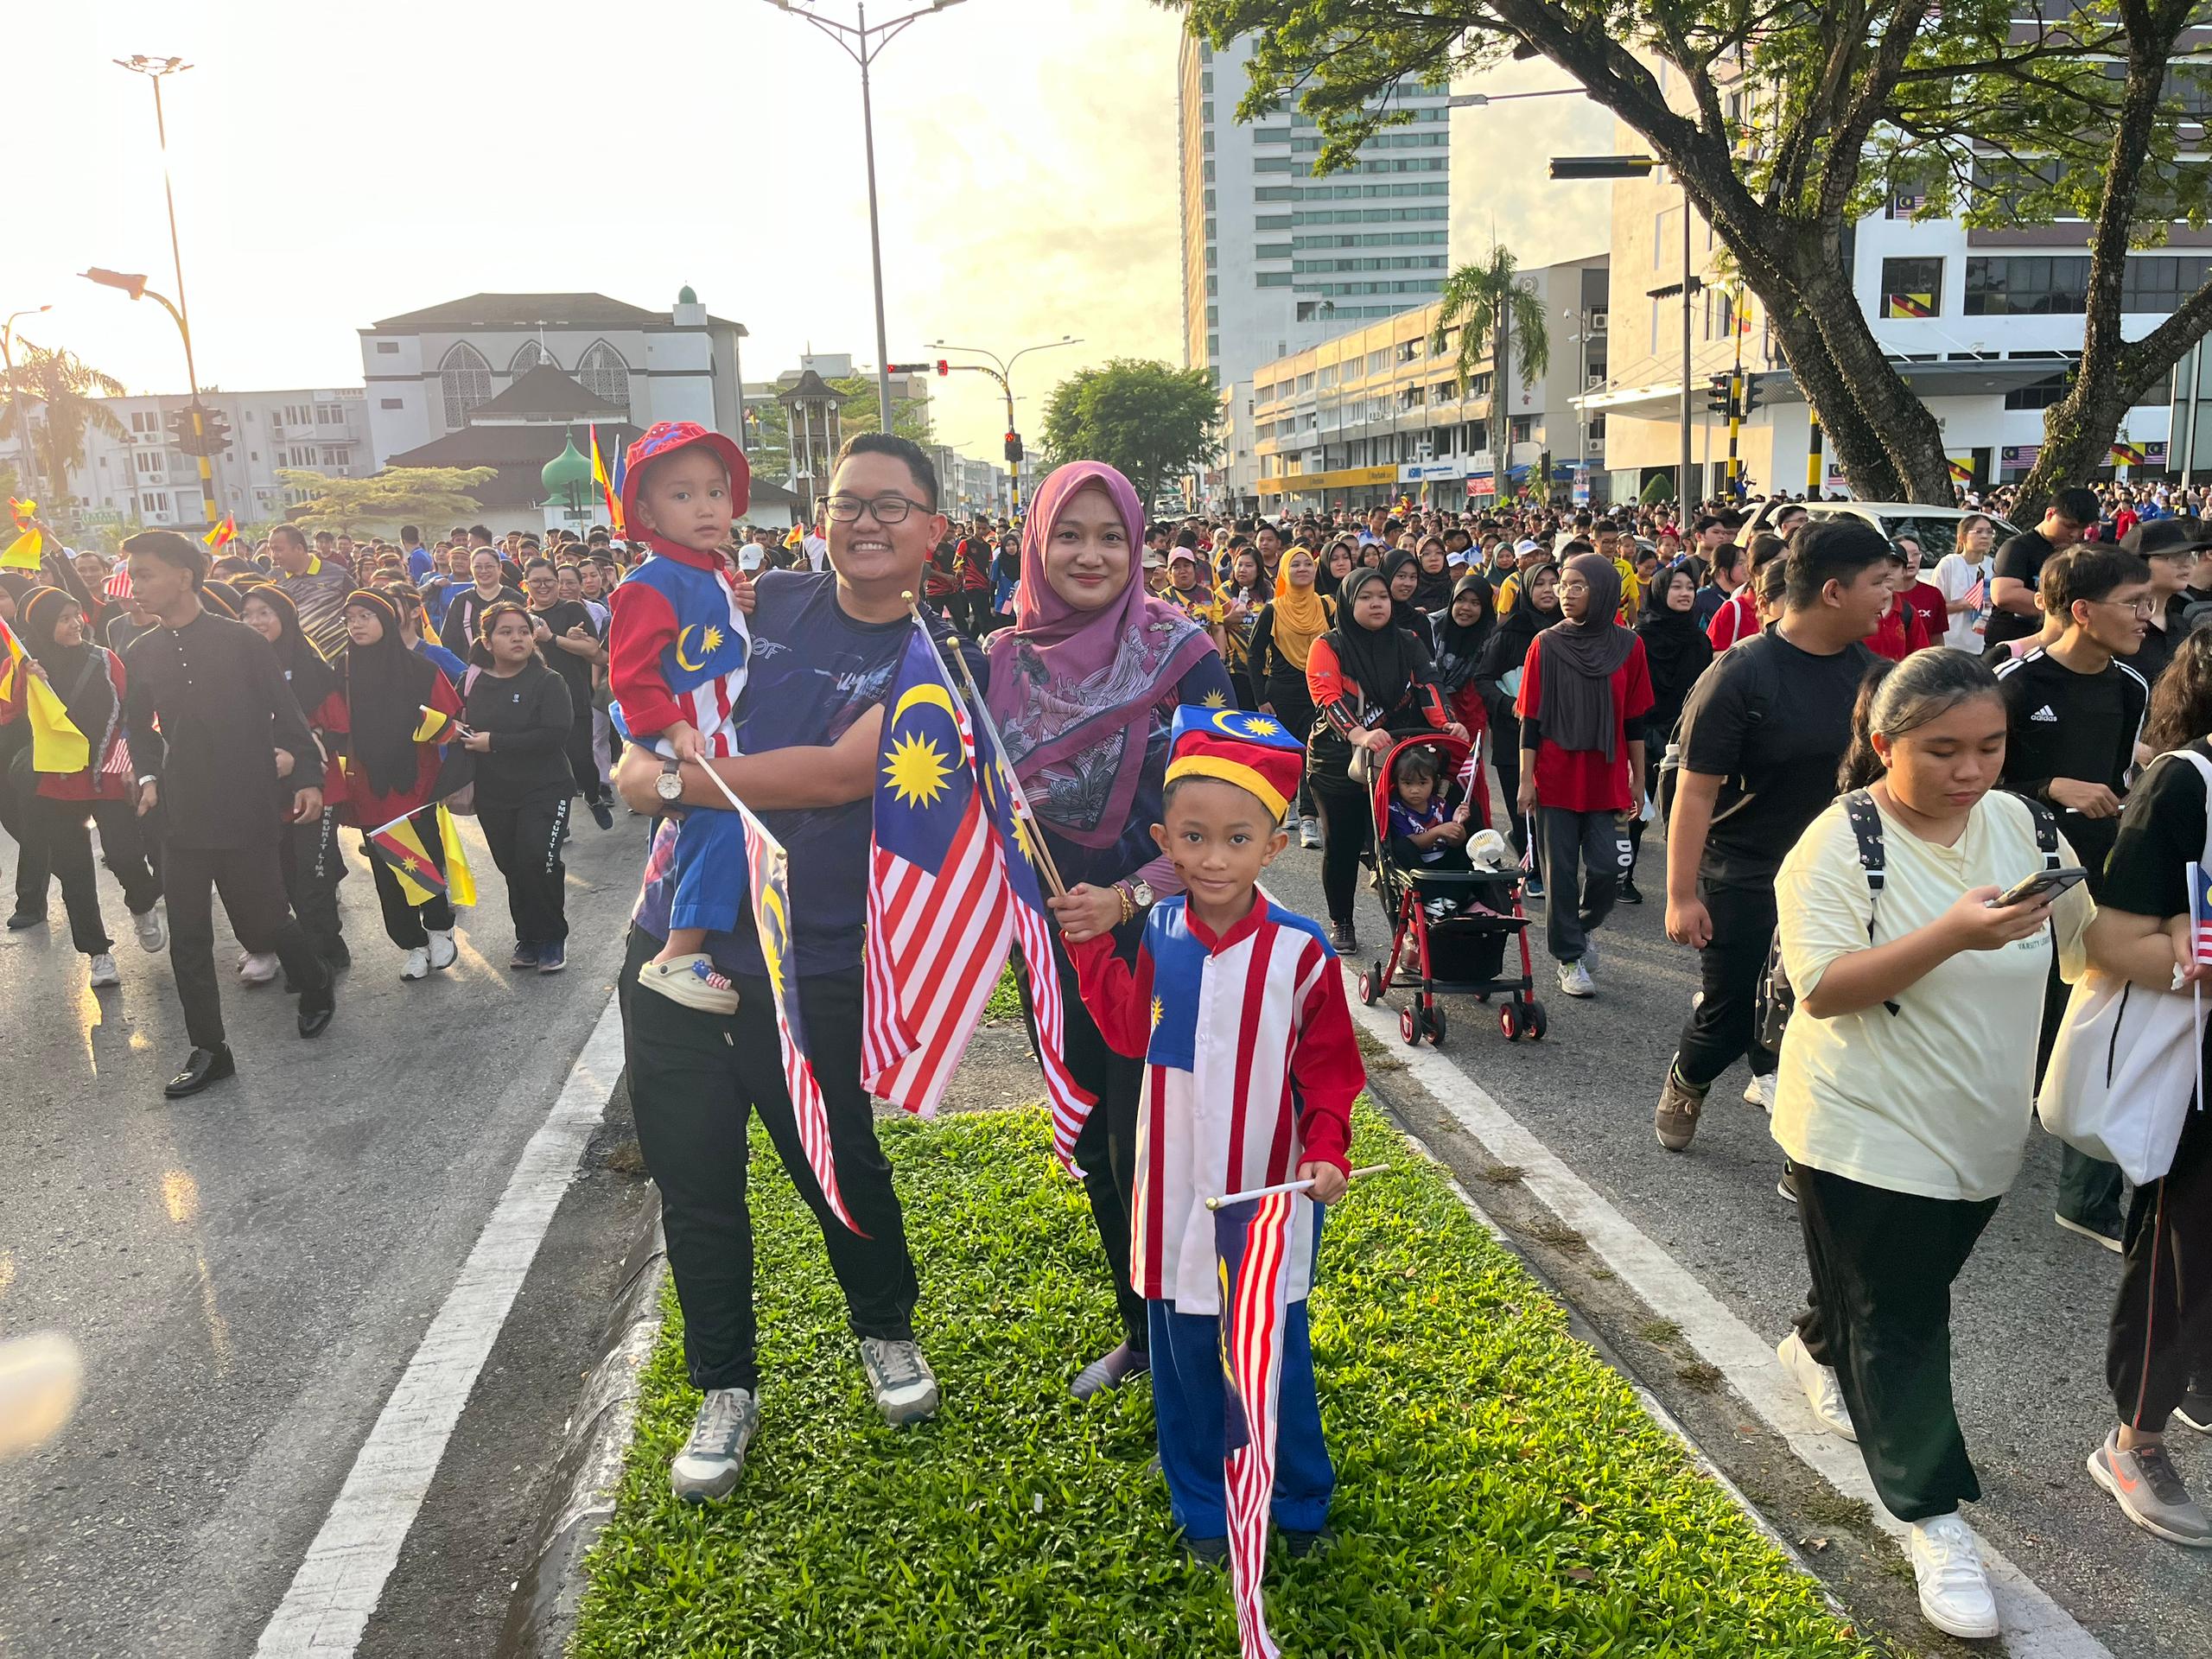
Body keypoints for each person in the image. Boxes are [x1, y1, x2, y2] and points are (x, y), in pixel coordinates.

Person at [609, 432, 978, 1497]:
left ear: (931, 528)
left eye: (891, 506)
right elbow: (646, 707)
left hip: (809, 951)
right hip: (674, 942)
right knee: (694, 1180)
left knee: (837, 1158)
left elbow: (835, 775)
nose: (867, 522)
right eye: (848, 502)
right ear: (821, 518)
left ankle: (885, 1331)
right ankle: (725, 1387)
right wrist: (644, 755)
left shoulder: (937, 660)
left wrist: (672, 784)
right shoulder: (756, 601)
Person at [1768, 650, 2092, 1641]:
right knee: (1903, 1320)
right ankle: (1931, 1516)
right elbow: (1824, 986)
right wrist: (1951, 934)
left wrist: (2179, 947)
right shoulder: (1836, 843)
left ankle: (1814, 1344)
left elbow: (2089, 946)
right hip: (1859, 1125)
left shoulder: (2023, 825)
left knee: (1889, 1291)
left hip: (1982, 1126)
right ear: (1884, 744)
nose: (1971, 769)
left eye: (1989, 746)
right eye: (1943, 750)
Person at [1061, 708, 1361, 1566]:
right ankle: (1202, 1506)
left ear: (1274, 848)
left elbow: (1329, 1068)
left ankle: (1297, 1502)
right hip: (1171, 1192)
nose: (1215, 858)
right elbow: (1130, 1031)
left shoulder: (1301, 952)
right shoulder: (1158, 931)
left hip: (1266, 1197)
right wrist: (1091, 951)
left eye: (1238, 839)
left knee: (1273, 1351)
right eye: (1194, 837)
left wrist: (1327, 1147)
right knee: (1185, 1355)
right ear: (1165, 841)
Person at [993, 461, 1232, 1400]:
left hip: (1168, 940)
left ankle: (1203, 1337)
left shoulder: (1184, 655)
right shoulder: (1001, 663)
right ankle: (1142, 1329)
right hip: (1058, 941)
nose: (1089, 555)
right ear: (1036, 543)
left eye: (1110, 537)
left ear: (1137, 547)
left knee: (1167, 1144)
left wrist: (1128, 898)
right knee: (1096, 1131)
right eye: (1069, 534)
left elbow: (1232, 814)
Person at [1656, 518, 1890, 1147]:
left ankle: (1804, 1154)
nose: (1889, 596)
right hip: (1744, 873)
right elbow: (1695, 792)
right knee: (1731, 1016)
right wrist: (1681, 894)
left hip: (1837, 877)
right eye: (1878, 582)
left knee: (1820, 1016)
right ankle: (1689, 1078)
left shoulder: (1878, 677)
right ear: (1834, 591)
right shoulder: (1741, 673)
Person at [119, 531, 336, 1096]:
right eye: (133, 575)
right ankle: (210, 1050)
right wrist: (148, 777)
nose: (135, 586)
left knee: (263, 921)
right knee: (188, 937)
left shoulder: (242, 642)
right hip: (180, 812)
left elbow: (287, 714)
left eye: (145, 574)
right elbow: (137, 728)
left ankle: (314, 978)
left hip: (246, 804)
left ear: (184, 576)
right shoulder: (140, 652)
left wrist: (308, 778)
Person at [2079, 630, 2212, 1541]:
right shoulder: (2186, 782)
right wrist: (2186, 948)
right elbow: (2107, 939)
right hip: (2197, 1064)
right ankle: (2136, 1438)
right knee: (2182, 1250)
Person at [1992, 543, 2152, 1249]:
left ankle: (2084, 1193)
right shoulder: (2012, 682)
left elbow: (2116, 781)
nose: (2147, 617)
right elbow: (1962, 786)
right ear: (2082, 611)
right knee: (2014, 1016)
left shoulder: (2131, 687)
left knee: (2086, 1018)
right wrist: (2049, 789)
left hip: (2091, 878)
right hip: (2008, 879)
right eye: (2135, 604)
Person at [606, 422, 756, 1008]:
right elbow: (630, 675)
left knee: (686, 830)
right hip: (682, 728)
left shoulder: (710, 569)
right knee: (720, 822)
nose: (705, 507)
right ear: (647, 512)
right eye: (683, 494)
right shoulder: (651, 582)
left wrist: (741, 602)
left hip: (703, 727)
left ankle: (677, 933)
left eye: (716, 492)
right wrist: (671, 727)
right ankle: (679, 953)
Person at [0, 587, 164, 985]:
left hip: (108, 773)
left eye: (76, 615)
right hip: (56, 781)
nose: (75, 624)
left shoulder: (105, 659)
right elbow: (6, 712)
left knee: (126, 854)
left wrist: (131, 765)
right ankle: (97, 953)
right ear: (43, 625)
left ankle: (142, 904)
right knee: (74, 873)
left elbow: (131, 716)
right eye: (63, 619)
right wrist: (24, 679)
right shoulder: (22, 666)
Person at [1514, 553, 1653, 996]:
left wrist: (1638, 778)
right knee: (1559, 874)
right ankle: (1569, 958)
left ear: (1604, 592)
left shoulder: (1630, 647)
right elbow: (1531, 720)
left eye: (1579, 586)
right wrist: (1526, 779)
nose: (1566, 594)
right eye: (1564, 585)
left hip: (1607, 776)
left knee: (1609, 868)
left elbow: (1634, 720)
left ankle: (1582, 926)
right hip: (1555, 775)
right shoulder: (1545, 644)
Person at [1304, 564, 1457, 952]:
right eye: (1366, 597)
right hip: (1337, 762)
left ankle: (1411, 929)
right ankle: (1342, 920)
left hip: (1392, 760)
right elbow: (1328, 698)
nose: (1377, 604)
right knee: (1342, 844)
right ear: (1348, 602)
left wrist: (1447, 724)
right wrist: (1359, 734)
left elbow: (1429, 684)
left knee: (1395, 844)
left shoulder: (1407, 640)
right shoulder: (1328, 645)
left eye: (1383, 597)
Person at [330, 588, 467, 982]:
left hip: (415, 782)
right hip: (366, 784)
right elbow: (333, 724)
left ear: (387, 620)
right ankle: (411, 945)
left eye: (365, 616)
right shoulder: (342, 670)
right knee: (386, 869)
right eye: (350, 618)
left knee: (421, 856)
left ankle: (439, 928)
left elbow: (451, 720)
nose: (356, 625)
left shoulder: (420, 669)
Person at [238, 584, 350, 975]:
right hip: (265, 792)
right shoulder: (234, 669)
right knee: (282, 878)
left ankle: (325, 954)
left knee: (313, 879)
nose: (255, 621)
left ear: (284, 617)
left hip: (318, 790)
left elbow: (341, 727)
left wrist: (303, 749)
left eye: (264, 612)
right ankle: (302, 951)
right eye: (247, 614)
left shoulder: (310, 667)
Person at [460, 601, 577, 973]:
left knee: (537, 860)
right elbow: (454, 723)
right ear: (487, 641)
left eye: (524, 631)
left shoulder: (548, 681)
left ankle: (552, 937)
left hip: (546, 788)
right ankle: (527, 936)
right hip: (494, 793)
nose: (517, 638)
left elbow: (554, 734)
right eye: (506, 632)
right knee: (512, 866)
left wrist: (494, 742)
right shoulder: (472, 682)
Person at [1625, 563, 1713, 906]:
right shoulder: (1639, 639)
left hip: (1684, 735)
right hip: (1642, 733)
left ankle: (1689, 886)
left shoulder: (1698, 640)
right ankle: (1623, 875)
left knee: (1688, 812)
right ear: (1661, 592)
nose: (1685, 593)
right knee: (1637, 809)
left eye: (1690, 587)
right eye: (1676, 587)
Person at [1473, 558, 1559, 881]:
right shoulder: (1508, 633)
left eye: (1554, 583)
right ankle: (1532, 869)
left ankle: (1549, 864)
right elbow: (1483, 679)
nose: (1548, 590)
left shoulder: (1569, 629)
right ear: (1525, 589)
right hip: (1514, 733)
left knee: (1554, 807)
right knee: (1522, 805)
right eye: (1539, 584)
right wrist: (1511, 706)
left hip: (1557, 733)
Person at [1246, 546, 1335, 851]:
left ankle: (1309, 817)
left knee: (1313, 752)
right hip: (1281, 693)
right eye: (1295, 564)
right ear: (1284, 571)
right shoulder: (1273, 609)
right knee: (1286, 754)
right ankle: (1289, 804)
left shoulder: (1325, 606)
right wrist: (1260, 699)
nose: (1302, 569)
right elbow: (1254, 655)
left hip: (1317, 691)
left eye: (1307, 564)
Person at [1987, 486, 2101, 649]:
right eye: (2069, 526)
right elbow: (2004, 594)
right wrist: (2064, 610)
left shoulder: (2077, 552)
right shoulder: (2018, 547)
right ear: (2050, 514)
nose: (2075, 534)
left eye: (2082, 529)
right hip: (2014, 643)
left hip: (2058, 647)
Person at [2120, 516, 2212, 687]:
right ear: (2138, 563)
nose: (2186, 564)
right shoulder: (2118, 629)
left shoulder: (2185, 627)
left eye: (2188, 555)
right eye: (2172, 556)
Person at [267, 523, 353, 662]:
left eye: (278, 549)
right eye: (271, 550)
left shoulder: (336, 574)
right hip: (301, 661)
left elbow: (358, 608)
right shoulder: (273, 579)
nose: (274, 556)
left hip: (341, 659)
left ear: (299, 548)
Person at [1386, 745, 1471, 871]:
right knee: (1401, 846)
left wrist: (1457, 824)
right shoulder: (1396, 809)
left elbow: (1456, 843)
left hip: (1445, 861)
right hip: (1415, 864)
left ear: (1434, 781)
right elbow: (1412, 844)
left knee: (1471, 842)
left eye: (1422, 783)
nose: (1415, 790)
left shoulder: (1441, 805)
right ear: (1397, 782)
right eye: (1408, 783)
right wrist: (1438, 831)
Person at [445, 548, 524, 665]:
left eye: (489, 566)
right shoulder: (461, 601)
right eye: (478, 567)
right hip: (470, 669)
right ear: (471, 569)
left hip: (511, 667)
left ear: (500, 568)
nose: (483, 571)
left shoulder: (514, 599)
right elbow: (449, 643)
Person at [1931, 513, 1998, 652]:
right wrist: (1963, 604)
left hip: (1983, 643)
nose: (1985, 536)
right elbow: (1934, 608)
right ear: (1962, 537)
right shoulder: (1949, 564)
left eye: (1989, 532)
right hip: (1952, 643)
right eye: (1978, 531)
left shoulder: (1993, 565)